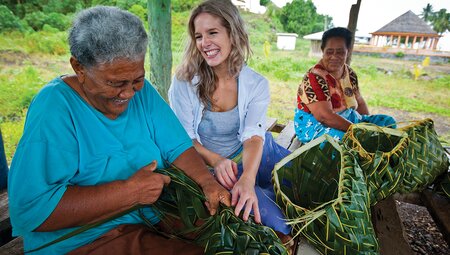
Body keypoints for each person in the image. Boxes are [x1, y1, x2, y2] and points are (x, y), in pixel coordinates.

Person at [8, 6, 231, 255]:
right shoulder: (55, 109)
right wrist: (130, 193)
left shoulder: (143, 92)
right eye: (115, 83)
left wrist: (206, 182)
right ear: (78, 68)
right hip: (86, 239)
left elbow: (176, 146)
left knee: (238, 237)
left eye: (136, 80)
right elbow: (32, 211)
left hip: (152, 216)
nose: (128, 93)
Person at [168, 0, 292, 244]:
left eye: (213, 33)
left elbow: (254, 136)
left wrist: (248, 179)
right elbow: (183, 139)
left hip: (252, 153)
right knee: (274, 222)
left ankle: (259, 182)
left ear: (233, 34)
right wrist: (216, 160)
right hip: (211, 167)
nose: (205, 43)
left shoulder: (256, 83)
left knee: (300, 188)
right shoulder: (184, 82)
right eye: (199, 36)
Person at [294, 27, 396, 144]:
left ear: (348, 51)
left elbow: (359, 101)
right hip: (314, 125)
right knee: (346, 140)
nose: (334, 57)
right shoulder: (314, 77)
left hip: (347, 119)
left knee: (388, 122)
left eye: (340, 52)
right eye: (329, 52)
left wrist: (367, 127)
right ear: (323, 50)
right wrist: (358, 132)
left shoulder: (350, 73)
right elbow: (324, 116)